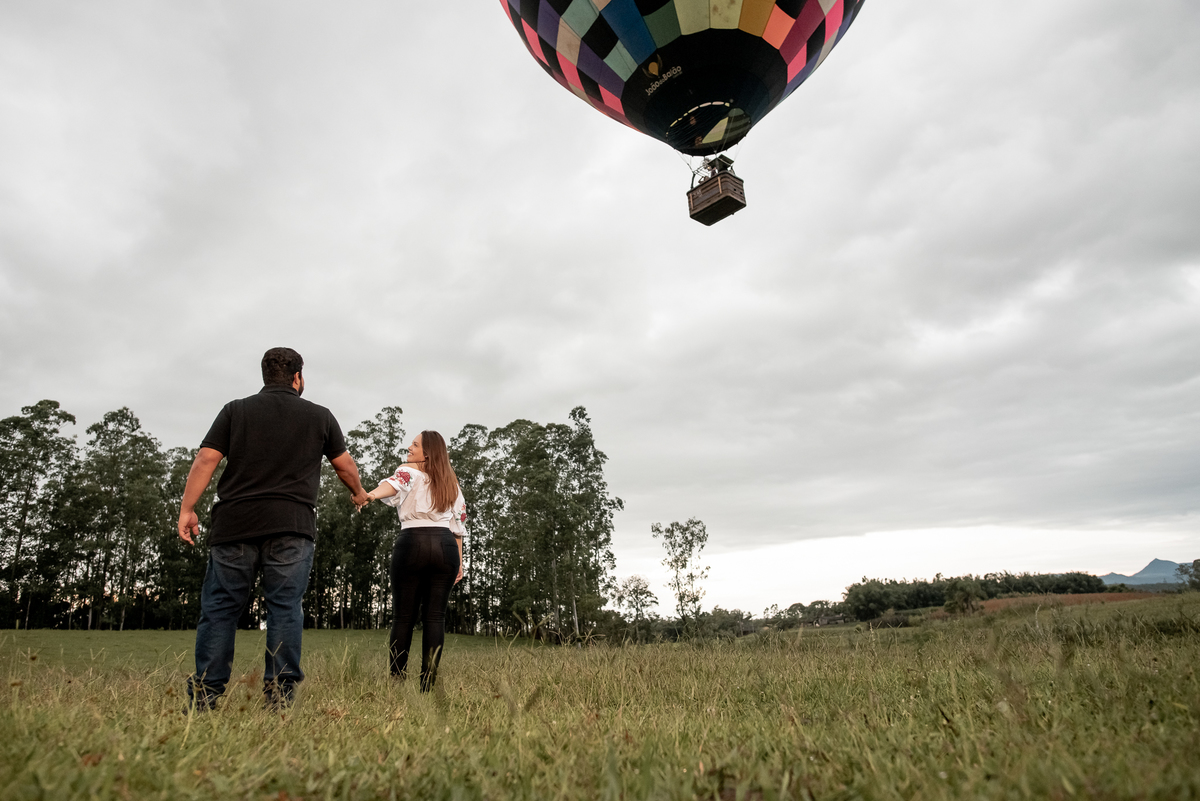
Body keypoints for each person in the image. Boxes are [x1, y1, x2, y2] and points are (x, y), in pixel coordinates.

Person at [177, 347, 369, 710]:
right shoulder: (320, 416)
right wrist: (358, 493)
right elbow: (345, 466)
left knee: (220, 609)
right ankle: (280, 699)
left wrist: (188, 509)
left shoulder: (235, 410)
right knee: (284, 608)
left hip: (235, 524)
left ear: (266, 376)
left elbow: (206, 459)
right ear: (297, 377)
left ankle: (204, 699)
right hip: (291, 526)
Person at [360, 430, 466, 691]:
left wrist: (370, 495)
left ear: (426, 453)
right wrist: (460, 561)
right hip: (445, 547)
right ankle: (427, 686)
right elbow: (458, 526)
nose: (409, 447)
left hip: (413, 542)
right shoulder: (451, 482)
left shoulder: (409, 472)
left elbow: (394, 485)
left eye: (415, 445)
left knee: (403, 617)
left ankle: (397, 684)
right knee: (435, 618)